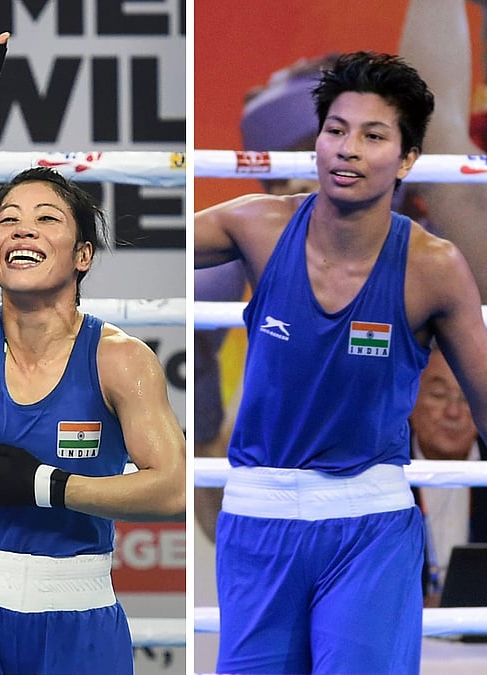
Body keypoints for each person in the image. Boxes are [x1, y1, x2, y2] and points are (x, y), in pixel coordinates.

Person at [0, 3, 186, 673]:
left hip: (78, 617)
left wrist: (48, 484)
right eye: (7, 220)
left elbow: (170, 488)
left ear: (82, 254)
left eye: (46, 218)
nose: (21, 229)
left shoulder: (119, 360)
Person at [194, 51, 487, 674]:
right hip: (258, 517)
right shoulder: (255, 225)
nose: (348, 148)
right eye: (336, 130)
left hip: (370, 526)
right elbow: (122, 233)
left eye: (374, 135)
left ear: (407, 159)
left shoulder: (433, 268)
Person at [409, 345, 487, 606]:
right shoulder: (387, 466)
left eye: (467, 398)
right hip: (408, 624)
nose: (453, 413)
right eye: (439, 395)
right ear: (411, 399)